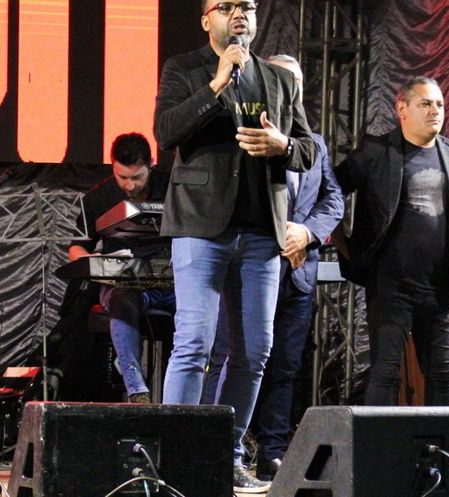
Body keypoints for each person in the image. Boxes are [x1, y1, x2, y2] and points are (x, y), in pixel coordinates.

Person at [153, 0, 316, 491]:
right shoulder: (184, 68)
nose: (239, 13)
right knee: (195, 343)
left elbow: (309, 149)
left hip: (261, 232)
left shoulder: (279, 79)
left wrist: (283, 146)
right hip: (200, 225)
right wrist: (217, 84)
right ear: (207, 20)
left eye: (247, 6)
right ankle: (176, 456)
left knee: (255, 351)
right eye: (226, 6)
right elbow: (166, 132)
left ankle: (226, 452)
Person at [202, 55, 344, 481]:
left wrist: (306, 232)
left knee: (283, 367)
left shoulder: (313, 143)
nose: (290, 89)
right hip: (250, 267)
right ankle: (215, 449)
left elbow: (333, 199)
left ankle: (273, 452)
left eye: (296, 82)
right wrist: (280, 232)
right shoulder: (244, 134)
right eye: (283, 81)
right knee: (231, 357)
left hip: (298, 273)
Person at [333, 76, 449, 407]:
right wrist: (345, 246)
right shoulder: (375, 153)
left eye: (440, 104)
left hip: (440, 287)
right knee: (385, 372)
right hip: (391, 286)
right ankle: (378, 442)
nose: (435, 111)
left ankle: (438, 442)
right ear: (401, 108)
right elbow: (330, 191)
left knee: (441, 375)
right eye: (426, 104)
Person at [67, 132, 174, 404]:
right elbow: (76, 248)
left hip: (172, 283)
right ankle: (136, 388)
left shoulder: (173, 187)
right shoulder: (98, 197)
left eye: (137, 177)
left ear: (151, 164)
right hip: (124, 285)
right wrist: (95, 266)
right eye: (122, 177)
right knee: (122, 301)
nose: (129, 185)